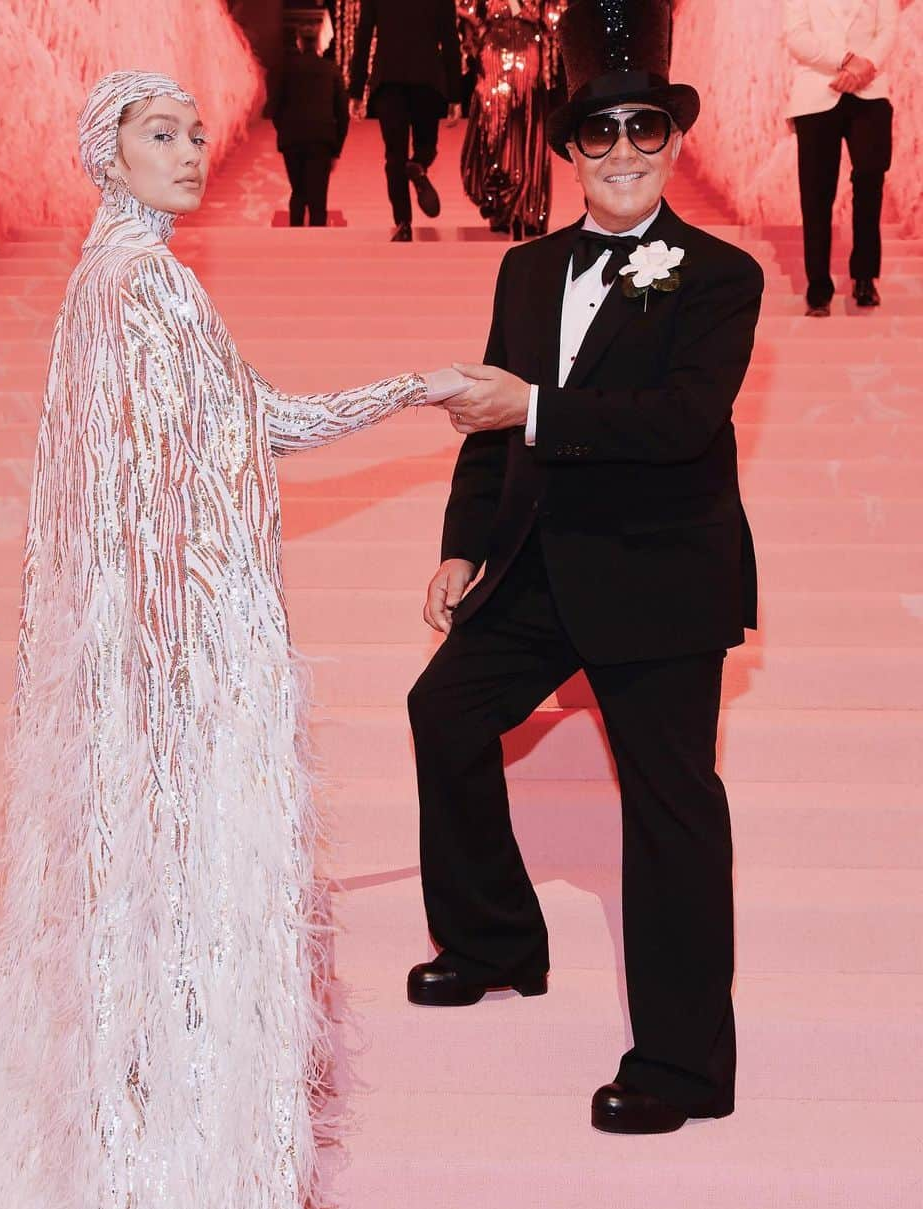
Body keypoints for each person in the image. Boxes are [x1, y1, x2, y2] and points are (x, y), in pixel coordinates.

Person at [0, 69, 458, 1209]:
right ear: (108, 154)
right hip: (184, 671)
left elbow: (258, 422)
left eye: (197, 131)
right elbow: (136, 515)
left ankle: (138, 1187)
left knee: (161, 920)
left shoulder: (143, 283)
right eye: (162, 133)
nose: (193, 149)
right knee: (185, 914)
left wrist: (413, 387)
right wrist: (171, 687)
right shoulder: (132, 289)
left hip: (180, 663)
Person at [406, 0, 765, 1136]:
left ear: (673, 141)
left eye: (643, 130)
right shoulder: (527, 271)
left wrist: (538, 406)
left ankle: (683, 1066)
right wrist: (464, 547)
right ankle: (493, 940)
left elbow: (682, 418)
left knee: (671, 813)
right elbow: (489, 422)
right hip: (538, 569)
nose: (621, 152)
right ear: (567, 149)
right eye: (598, 133)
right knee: (444, 712)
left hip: (660, 575)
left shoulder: (717, 275)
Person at [785, 0, 898, 315]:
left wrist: (865, 66)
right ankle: (818, 287)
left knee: (869, 181)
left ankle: (864, 278)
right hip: (817, 91)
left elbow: (889, 29)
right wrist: (845, 60)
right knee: (816, 192)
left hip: (871, 90)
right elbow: (796, 36)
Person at [348, 0, 464, 241]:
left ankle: (403, 223)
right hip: (427, 79)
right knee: (426, 147)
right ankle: (419, 166)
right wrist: (455, 94)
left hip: (388, 79)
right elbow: (451, 40)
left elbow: (364, 35)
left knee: (394, 155)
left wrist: (356, 90)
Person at [458, 0, 558, 240]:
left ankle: (522, 208)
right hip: (496, 51)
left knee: (522, 122)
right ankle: (509, 204)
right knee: (499, 124)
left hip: (522, 50)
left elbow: (553, 18)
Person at [266, 19, 349, 226]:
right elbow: (343, 113)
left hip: (293, 139)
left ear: (299, 42)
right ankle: (317, 248)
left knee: (298, 192)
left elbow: (274, 107)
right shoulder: (331, 70)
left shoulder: (286, 69)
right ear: (317, 43)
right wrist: (336, 147)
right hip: (322, 139)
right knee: (318, 198)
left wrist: (284, 130)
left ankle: (295, 241)